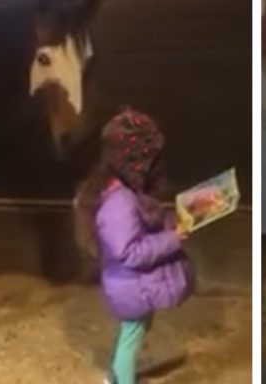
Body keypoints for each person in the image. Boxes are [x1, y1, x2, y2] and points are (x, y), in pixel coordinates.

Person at [73, 107, 194, 384]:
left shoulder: (123, 191)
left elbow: (140, 226)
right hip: (133, 286)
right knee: (132, 337)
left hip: (134, 285)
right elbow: (130, 252)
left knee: (135, 329)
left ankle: (117, 375)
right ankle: (120, 378)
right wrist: (172, 239)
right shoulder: (119, 202)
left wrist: (170, 221)